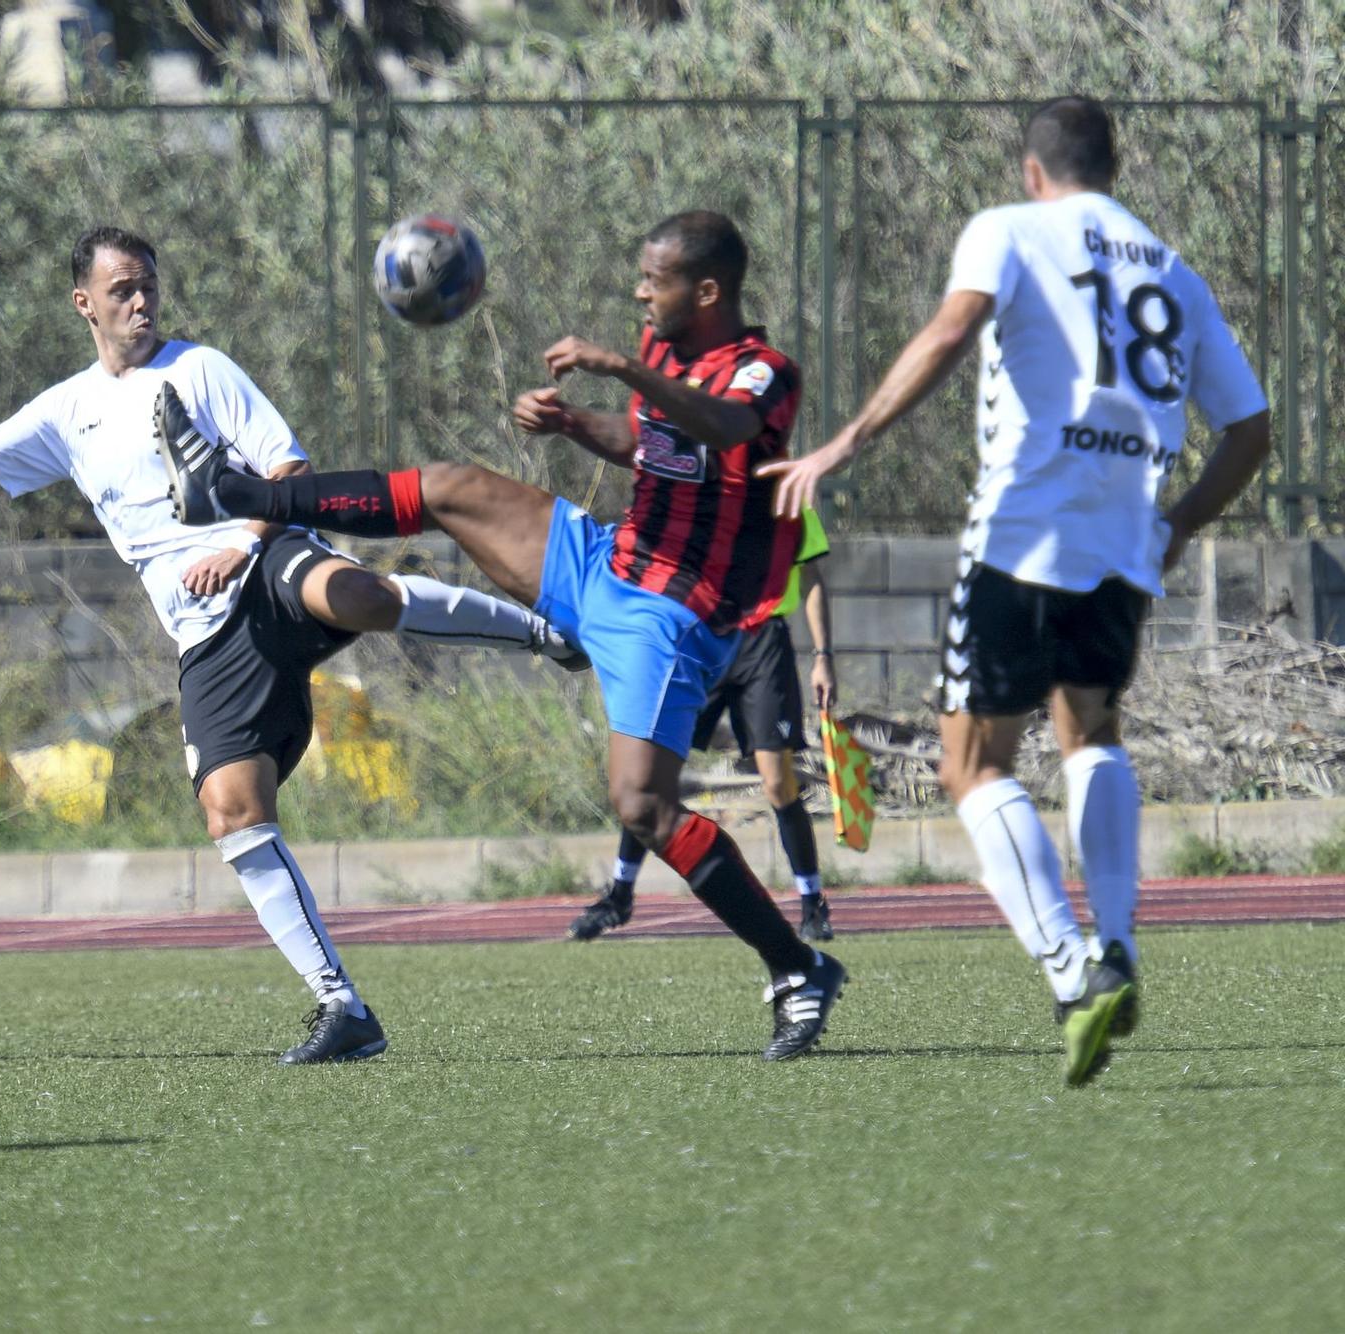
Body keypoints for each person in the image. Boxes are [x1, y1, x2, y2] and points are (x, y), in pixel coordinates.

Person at [0, 225, 585, 1065]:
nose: (140, 302)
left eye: (149, 287)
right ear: (83, 302)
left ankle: (544, 632)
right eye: (122, 288)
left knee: (354, 595)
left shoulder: (199, 370)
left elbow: (288, 472)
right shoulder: (68, 410)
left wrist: (238, 543)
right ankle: (342, 1008)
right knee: (230, 811)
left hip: (260, 559)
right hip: (205, 635)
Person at [161, 211, 848, 1061]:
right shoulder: (666, 349)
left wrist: (622, 366)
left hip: (672, 615)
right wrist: (574, 425)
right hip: (609, 560)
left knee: (642, 806)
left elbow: (726, 429)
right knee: (450, 488)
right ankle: (240, 493)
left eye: (654, 279)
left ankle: (795, 968)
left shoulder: (764, 373)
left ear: (706, 292)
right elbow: (648, 441)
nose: (639, 291)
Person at [763, 96, 1271, 1086]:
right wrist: (1174, 526)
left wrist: (842, 440)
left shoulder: (1004, 229)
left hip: (1021, 532)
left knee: (971, 764)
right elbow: (1248, 431)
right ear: (1107, 167)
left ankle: (1069, 970)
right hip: (1123, 538)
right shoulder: (1168, 266)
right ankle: (1114, 939)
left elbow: (953, 329)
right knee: (1090, 734)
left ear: (1032, 170)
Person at [569, 506, 837, 944]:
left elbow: (812, 579)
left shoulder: (789, 500)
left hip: (762, 644)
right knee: (650, 775)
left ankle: (812, 904)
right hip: (699, 633)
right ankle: (619, 895)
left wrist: (824, 657)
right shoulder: (696, 492)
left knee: (777, 782)